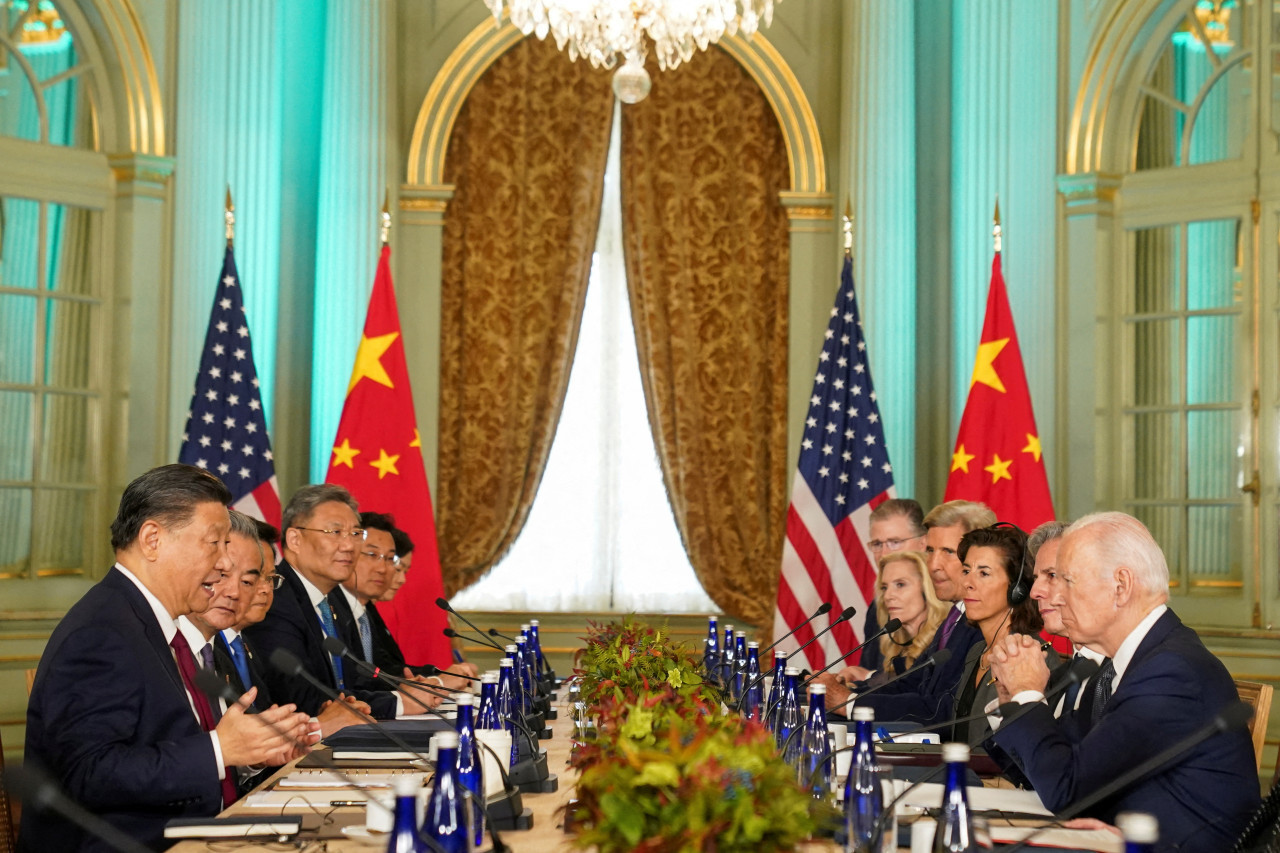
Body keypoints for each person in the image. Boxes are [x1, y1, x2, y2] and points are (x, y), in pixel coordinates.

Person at [19, 464, 312, 852]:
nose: (225, 563)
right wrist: (219, 750)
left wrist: (249, 749)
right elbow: (87, 774)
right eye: (215, 543)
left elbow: (166, 747)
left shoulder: (148, 621)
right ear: (153, 539)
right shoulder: (103, 631)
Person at [989, 512, 1259, 853]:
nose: (1055, 598)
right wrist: (1014, 697)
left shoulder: (1171, 671)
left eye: (1067, 581)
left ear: (1121, 586)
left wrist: (1028, 694)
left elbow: (1066, 790)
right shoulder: (1137, 661)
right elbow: (1071, 764)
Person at [244, 485, 441, 719]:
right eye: (334, 532)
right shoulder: (276, 598)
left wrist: (403, 688)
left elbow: (354, 680)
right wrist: (397, 702)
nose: (349, 546)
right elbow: (298, 697)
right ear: (295, 539)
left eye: (356, 534)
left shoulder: (333, 601)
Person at [818, 500, 994, 723]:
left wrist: (850, 703)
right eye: (930, 550)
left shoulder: (987, 623)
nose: (934, 565)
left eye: (948, 551)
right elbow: (916, 683)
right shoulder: (956, 616)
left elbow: (946, 709)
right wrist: (847, 695)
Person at [949, 524, 1055, 746]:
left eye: (984, 573)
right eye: (966, 571)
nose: (967, 583)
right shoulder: (976, 652)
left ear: (1017, 589)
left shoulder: (1034, 656)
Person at [850, 551, 949, 689]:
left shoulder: (942, 644)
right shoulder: (899, 646)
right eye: (884, 587)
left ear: (928, 590)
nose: (888, 596)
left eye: (900, 585)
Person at [858, 499, 927, 672]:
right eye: (877, 544)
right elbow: (870, 669)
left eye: (895, 542)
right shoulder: (878, 606)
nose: (884, 554)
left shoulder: (946, 608)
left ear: (923, 543)